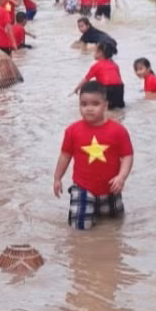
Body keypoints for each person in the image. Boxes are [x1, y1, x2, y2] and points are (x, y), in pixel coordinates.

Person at [52, 81, 134, 230]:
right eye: (84, 104)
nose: (89, 108)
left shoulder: (118, 131)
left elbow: (127, 156)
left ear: (106, 105)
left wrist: (121, 177)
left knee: (115, 224)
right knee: (80, 227)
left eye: (95, 104)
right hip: (83, 187)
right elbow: (65, 155)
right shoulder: (72, 131)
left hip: (111, 187)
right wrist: (57, 178)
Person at [74, 42, 125, 110]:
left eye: (95, 51)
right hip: (119, 88)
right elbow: (119, 79)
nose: (93, 53)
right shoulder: (114, 64)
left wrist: (77, 88)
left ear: (100, 53)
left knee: (106, 109)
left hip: (107, 88)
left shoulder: (96, 66)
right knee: (119, 108)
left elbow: (86, 79)